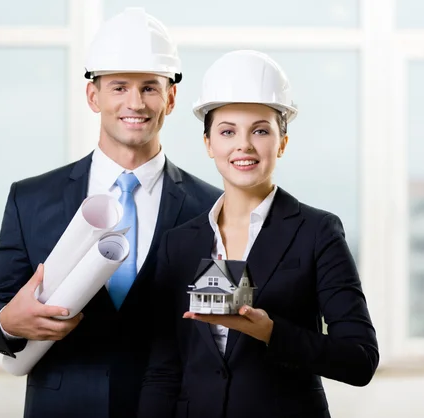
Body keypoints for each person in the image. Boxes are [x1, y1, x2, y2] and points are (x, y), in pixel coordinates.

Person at [0, 8, 221, 418]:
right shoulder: (32, 199)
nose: (135, 103)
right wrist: (10, 322)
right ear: (94, 96)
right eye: (119, 87)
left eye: (150, 88)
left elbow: (222, 330)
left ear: (170, 98)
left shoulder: (214, 208)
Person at [138, 50, 379, 418]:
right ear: (208, 144)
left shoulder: (317, 233)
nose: (244, 146)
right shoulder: (180, 243)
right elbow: (163, 371)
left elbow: (360, 360)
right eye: (228, 131)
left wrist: (270, 332)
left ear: (282, 142)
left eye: (261, 130)